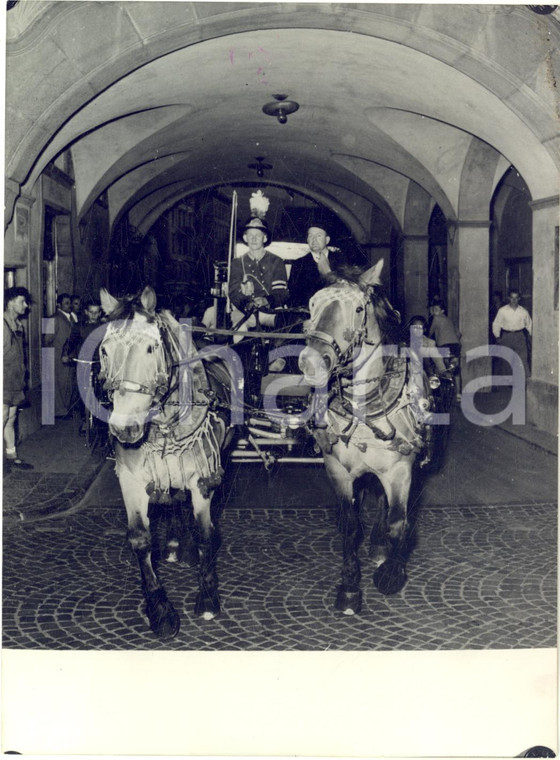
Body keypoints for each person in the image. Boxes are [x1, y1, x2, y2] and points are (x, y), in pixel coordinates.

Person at [228, 216, 289, 323]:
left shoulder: (276, 261)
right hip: (244, 311)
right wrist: (248, 304)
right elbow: (234, 292)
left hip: (270, 311)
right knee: (239, 332)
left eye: (258, 235)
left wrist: (265, 300)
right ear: (245, 238)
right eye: (250, 235)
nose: (254, 239)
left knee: (282, 325)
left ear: (264, 238)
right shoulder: (237, 263)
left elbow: (281, 292)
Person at [3, 286, 34, 471]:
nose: (26, 305)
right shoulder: (2, 325)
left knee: (11, 418)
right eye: (22, 301)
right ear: (10, 303)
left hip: (15, 381)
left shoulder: (18, 326)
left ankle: (12, 456)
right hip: (3, 381)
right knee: (3, 417)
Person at [288, 222, 346, 308]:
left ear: (327, 240)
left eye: (318, 236)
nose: (314, 240)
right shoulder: (299, 264)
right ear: (307, 240)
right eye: (310, 236)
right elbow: (294, 296)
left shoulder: (341, 260)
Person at [45, 292, 80, 418]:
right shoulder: (53, 318)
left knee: (67, 384)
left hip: (68, 356)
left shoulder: (71, 317)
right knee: (59, 384)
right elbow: (46, 339)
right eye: (66, 303)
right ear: (58, 305)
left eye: (70, 303)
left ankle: (66, 409)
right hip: (57, 357)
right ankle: (60, 412)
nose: (69, 305)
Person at [492, 289, 532, 379]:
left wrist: (531, 337)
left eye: (516, 298)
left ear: (519, 299)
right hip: (507, 336)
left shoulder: (523, 312)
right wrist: (497, 337)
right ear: (508, 298)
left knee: (522, 358)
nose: (514, 300)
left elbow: (529, 325)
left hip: (520, 336)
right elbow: (496, 324)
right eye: (512, 298)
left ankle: (524, 379)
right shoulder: (502, 311)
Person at [428, 300, 462, 400]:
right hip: (455, 345)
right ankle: (458, 394)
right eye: (433, 309)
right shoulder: (448, 320)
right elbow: (459, 334)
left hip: (444, 346)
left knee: (442, 368)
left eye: (436, 309)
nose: (434, 311)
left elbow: (430, 333)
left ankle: (443, 394)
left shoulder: (436, 318)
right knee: (455, 370)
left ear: (442, 311)